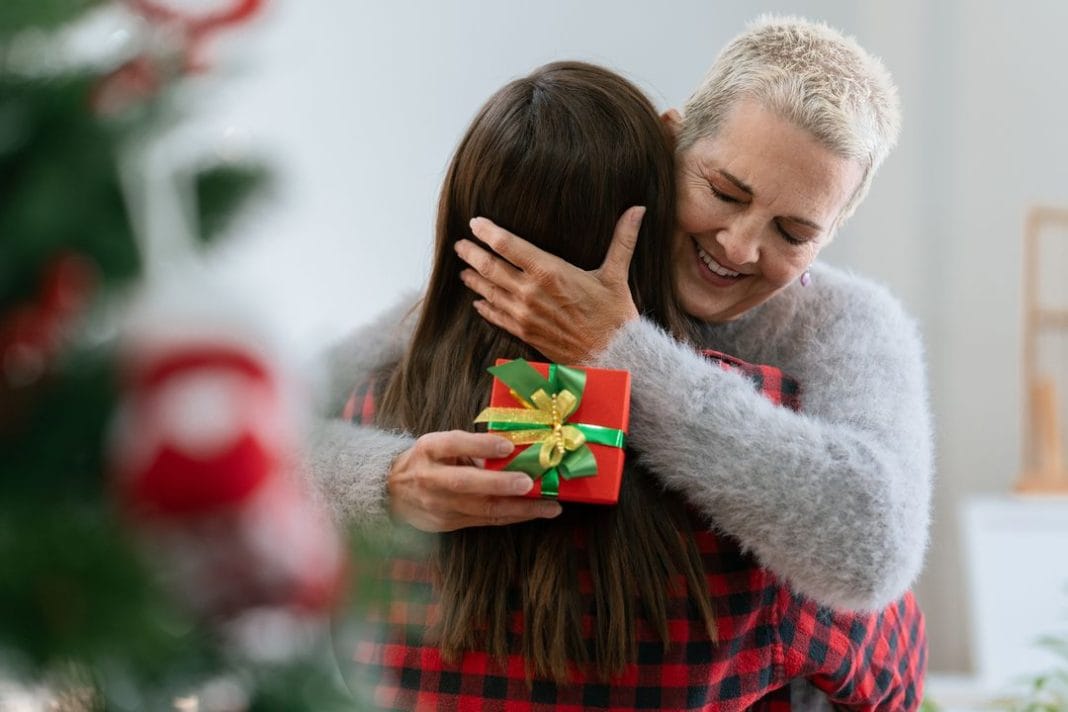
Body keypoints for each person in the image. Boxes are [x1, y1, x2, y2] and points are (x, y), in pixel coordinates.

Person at [333, 59, 925, 711]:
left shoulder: (844, 323)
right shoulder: (491, 305)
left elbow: (875, 553)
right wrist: (384, 479)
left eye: (795, 232)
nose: (738, 245)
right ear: (667, 145)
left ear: (831, 234)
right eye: (725, 193)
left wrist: (619, 351)